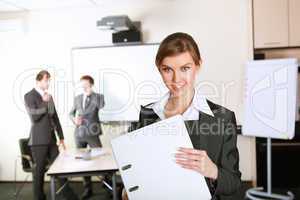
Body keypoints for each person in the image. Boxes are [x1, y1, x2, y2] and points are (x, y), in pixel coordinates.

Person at [122, 32, 241, 200]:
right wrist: (129, 190)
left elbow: (234, 183)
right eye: (167, 69)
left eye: (185, 68)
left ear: (198, 66)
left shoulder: (222, 118)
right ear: (159, 69)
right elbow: (135, 168)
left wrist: (212, 171)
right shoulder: (148, 114)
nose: (176, 79)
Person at [24, 70, 77, 200]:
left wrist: (62, 137)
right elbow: (34, 117)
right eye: (46, 80)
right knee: (39, 172)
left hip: (52, 139)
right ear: (38, 81)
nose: (48, 83)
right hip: (38, 141)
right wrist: (44, 101)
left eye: (49, 80)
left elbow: (55, 118)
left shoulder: (49, 96)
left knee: (59, 169)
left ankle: (69, 196)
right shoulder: (29, 95)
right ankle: (39, 197)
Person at [69, 75, 105, 199]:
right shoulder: (77, 98)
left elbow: (101, 106)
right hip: (79, 134)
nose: (83, 84)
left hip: (93, 133)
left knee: (101, 157)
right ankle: (87, 189)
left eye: (85, 82)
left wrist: (91, 95)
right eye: (81, 83)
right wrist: (74, 119)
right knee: (83, 162)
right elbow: (71, 113)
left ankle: (109, 185)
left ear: (90, 83)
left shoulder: (98, 97)